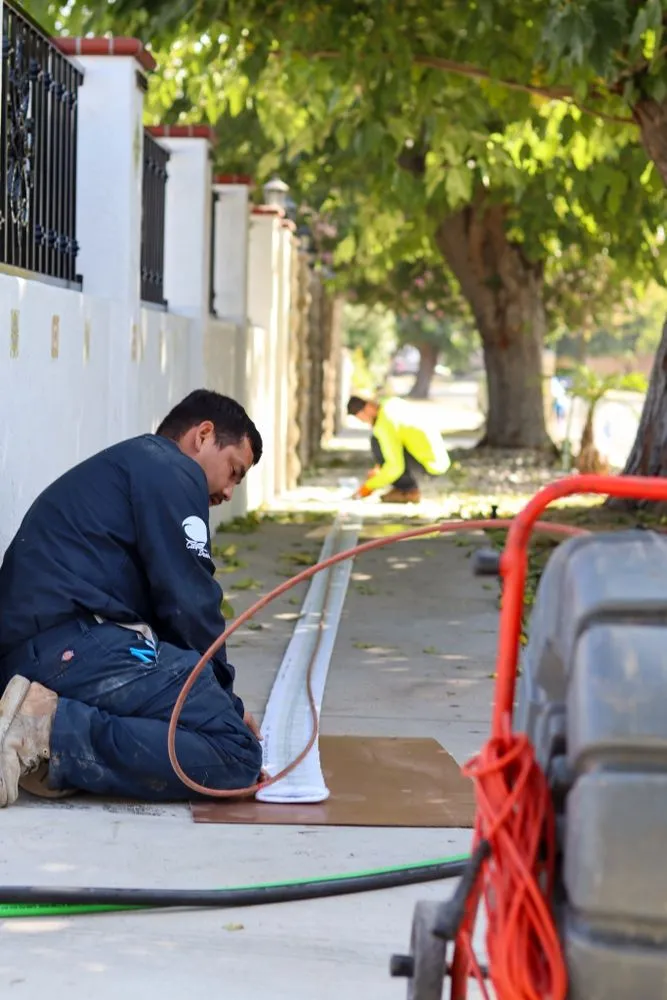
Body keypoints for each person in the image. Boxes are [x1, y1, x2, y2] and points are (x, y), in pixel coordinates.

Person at [0, 390, 265, 808]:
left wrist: (214, 700)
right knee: (236, 753)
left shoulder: (135, 466)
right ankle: (47, 730)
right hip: (66, 647)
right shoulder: (173, 470)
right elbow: (189, 601)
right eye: (234, 471)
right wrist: (225, 704)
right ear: (203, 435)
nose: (229, 492)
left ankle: (49, 726)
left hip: (46, 651)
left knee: (197, 724)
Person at [346, 395, 451, 503]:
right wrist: (379, 470)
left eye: (362, 418)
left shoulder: (385, 423)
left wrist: (368, 487)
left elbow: (395, 467)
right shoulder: (391, 403)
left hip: (429, 468)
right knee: (381, 443)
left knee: (376, 441)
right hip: (439, 461)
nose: (365, 422)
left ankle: (409, 491)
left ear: (368, 408)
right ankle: (402, 489)